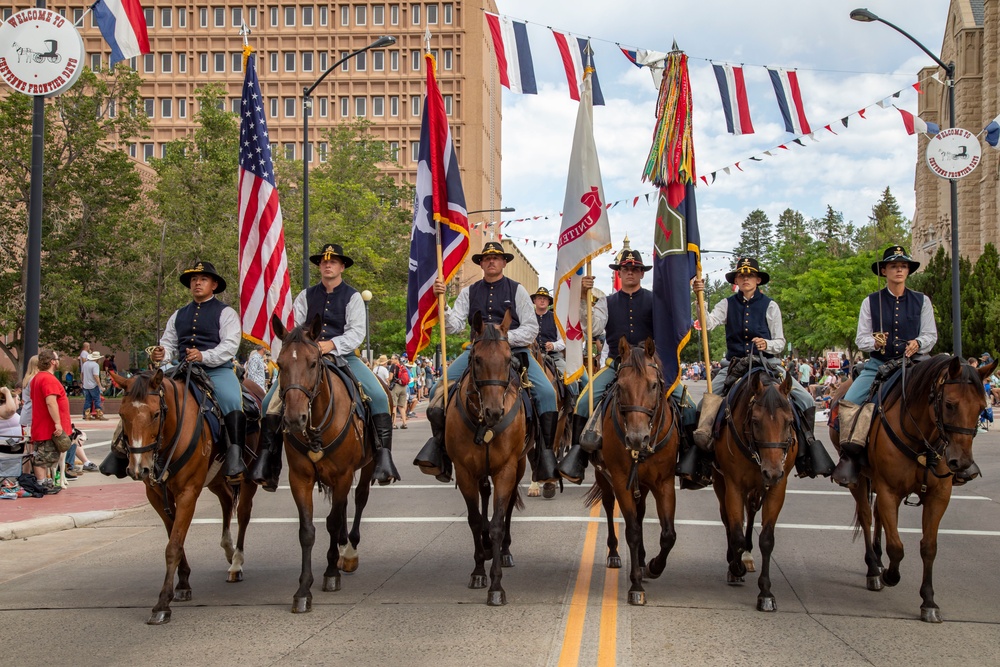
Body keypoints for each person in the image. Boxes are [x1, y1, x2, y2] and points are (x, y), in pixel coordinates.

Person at [252, 243, 400, 490]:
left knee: (378, 396)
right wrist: (303, 348)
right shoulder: (305, 296)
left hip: (344, 357)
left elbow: (356, 333)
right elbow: (294, 330)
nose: (328, 265)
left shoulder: (352, 296)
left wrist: (329, 345)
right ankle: (269, 461)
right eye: (324, 262)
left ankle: (383, 458)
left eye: (333, 262)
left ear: (342, 266)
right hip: (306, 360)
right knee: (269, 403)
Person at [416, 241, 559, 484]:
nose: (491, 261)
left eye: (496, 258)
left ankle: (545, 455)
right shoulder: (469, 292)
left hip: (513, 350)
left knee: (546, 393)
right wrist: (443, 304)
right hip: (477, 351)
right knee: (436, 390)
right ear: (481, 263)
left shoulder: (518, 290)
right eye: (486, 258)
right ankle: (440, 450)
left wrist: (501, 338)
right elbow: (454, 326)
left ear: (504, 262)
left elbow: (531, 328)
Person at [691, 256, 834, 479]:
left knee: (805, 400)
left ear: (758, 279)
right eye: (741, 275)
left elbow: (780, 341)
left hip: (767, 364)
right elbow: (707, 324)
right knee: (704, 405)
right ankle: (702, 460)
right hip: (736, 366)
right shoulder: (727, 304)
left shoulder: (771, 306)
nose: (745, 279)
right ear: (736, 280)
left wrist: (766, 344)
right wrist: (699, 299)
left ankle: (806, 454)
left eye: (750, 275)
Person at [832, 245, 937, 486]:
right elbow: (861, 338)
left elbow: (931, 335)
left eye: (903, 266)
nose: (899, 270)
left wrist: (918, 342)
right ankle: (850, 457)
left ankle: (944, 455)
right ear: (884, 271)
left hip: (915, 365)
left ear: (908, 270)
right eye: (893, 266)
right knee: (851, 403)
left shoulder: (922, 301)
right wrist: (875, 341)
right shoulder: (870, 302)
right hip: (879, 365)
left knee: (943, 399)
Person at [150, 260, 247, 483]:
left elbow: (230, 345)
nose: (197, 283)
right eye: (194, 279)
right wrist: (160, 354)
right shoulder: (178, 314)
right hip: (183, 370)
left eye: (203, 279)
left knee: (232, 400)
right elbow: (169, 344)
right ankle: (121, 452)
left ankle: (235, 456)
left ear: (214, 285)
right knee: (147, 396)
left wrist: (204, 356)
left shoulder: (226, 313)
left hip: (216, 370)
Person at [30, 349, 74, 485]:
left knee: (43, 457)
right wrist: (57, 423)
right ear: (52, 362)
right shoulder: (48, 379)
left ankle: (43, 482)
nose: (58, 361)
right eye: (57, 359)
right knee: (43, 459)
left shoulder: (37, 378)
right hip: (49, 428)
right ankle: (42, 483)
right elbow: (50, 401)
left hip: (41, 426)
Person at [531, 286, 581, 402]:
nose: (542, 300)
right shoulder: (528, 317)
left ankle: (572, 405)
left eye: (545, 298)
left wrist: (553, 345)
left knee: (571, 379)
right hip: (531, 356)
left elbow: (564, 340)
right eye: (539, 298)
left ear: (549, 302)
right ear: (534, 301)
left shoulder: (556, 318)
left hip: (554, 356)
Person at [81, 350, 106, 420]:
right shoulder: (95, 365)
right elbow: (96, 376)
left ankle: (86, 415)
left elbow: (82, 374)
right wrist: (100, 386)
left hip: (86, 385)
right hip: (93, 385)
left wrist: (82, 382)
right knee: (97, 399)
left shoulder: (85, 364)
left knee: (87, 400)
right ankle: (99, 414)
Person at [388, 354, 409, 429]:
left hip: (396, 386)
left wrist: (387, 380)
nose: (391, 360)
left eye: (393, 358)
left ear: (397, 359)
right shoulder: (403, 366)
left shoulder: (393, 366)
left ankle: (393, 424)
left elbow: (390, 378)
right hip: (404, 387)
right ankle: (404, 423)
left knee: (394, 406)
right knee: (401, 406)